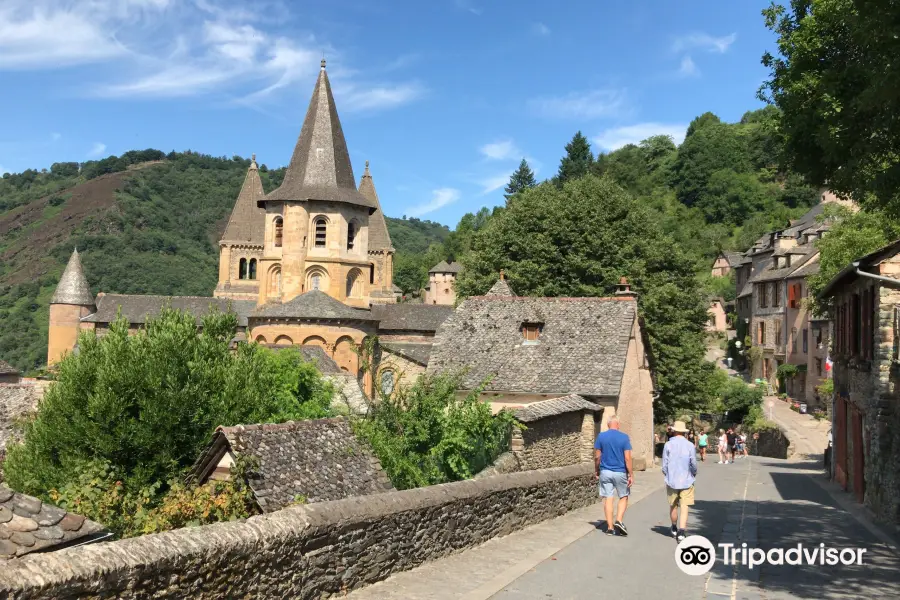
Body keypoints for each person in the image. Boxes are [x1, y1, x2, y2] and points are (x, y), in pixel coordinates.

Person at [592, 416, 634, 537]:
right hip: (620, 472)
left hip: (605, 472)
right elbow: (627, 458)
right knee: (624, 496)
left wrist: (596, 470)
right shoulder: (624, 437)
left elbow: (597, 457)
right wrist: (631, 474)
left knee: (608, 498)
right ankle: (619, 521)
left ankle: (610, 528)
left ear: (608, 424)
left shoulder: (601, 436)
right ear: (618, 425)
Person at [662, 420, 698, 543]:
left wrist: (667, 474)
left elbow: (664, 464)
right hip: (686, 479)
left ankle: (673, 527)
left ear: (674, 431)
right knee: (684, 505)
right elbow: (693, 463)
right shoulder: (689, 445)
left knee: (673, 505)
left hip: (672, 479)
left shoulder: (668, 445)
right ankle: (682, 532)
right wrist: (693, 473)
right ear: (684, 432)